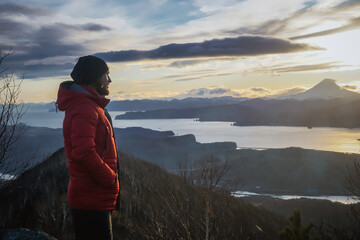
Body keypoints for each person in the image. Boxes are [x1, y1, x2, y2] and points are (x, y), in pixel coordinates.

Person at [56, 55, 120, 240]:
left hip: (93, 197)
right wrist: (110, 178)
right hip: (91, 198)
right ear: (94, 77)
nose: (109, 79)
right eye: (106, 74)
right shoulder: (85, 107)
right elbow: (83, 152)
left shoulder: (90, 106)